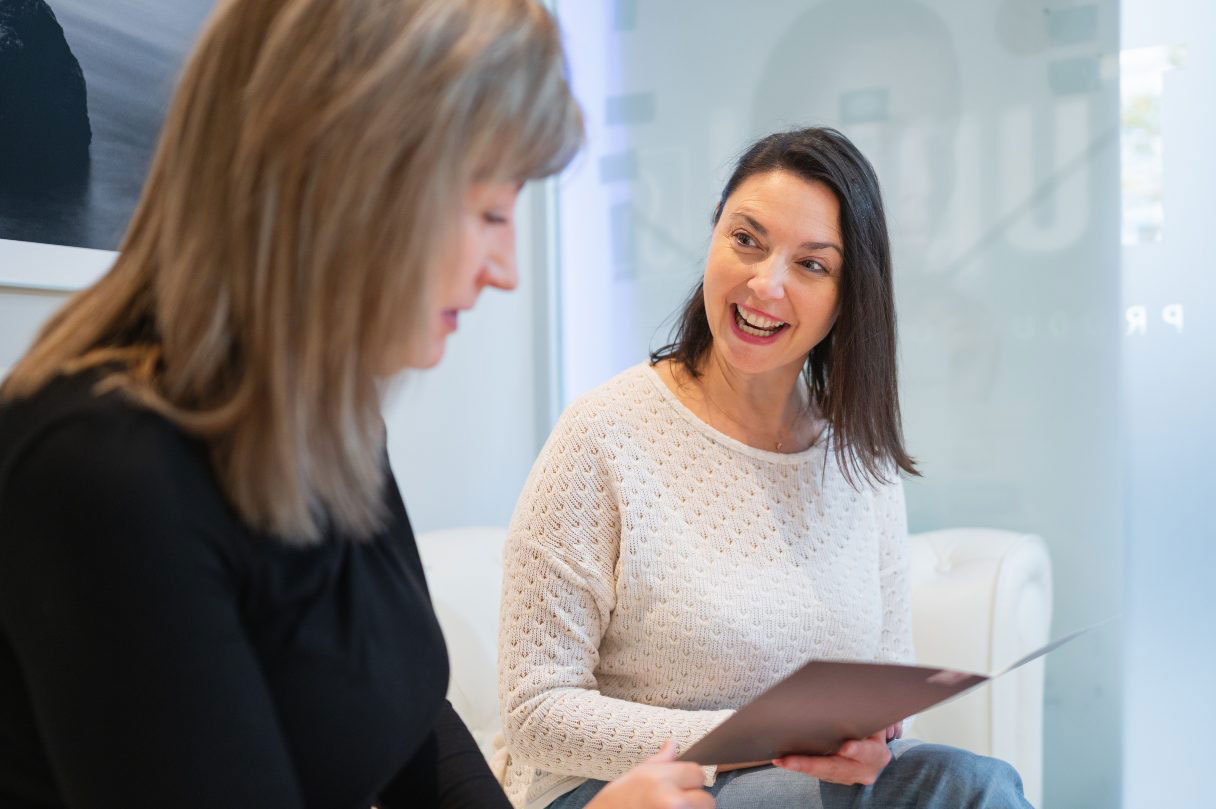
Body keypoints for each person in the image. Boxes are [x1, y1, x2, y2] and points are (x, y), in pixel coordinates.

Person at [0, 1, 712, 807]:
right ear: (345, 179)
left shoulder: (332, 426)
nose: (506, 268)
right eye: (487, 212)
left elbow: (412, 725)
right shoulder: (100, 472)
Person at [495, 127, 1033, 809]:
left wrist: (868, 744)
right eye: (746, 240)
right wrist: (757, 740)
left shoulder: (861, 463)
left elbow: (891, 699)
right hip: (625, 791)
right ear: (714, 239)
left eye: (812, 265)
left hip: (804, 791)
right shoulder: (603, 433)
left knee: (975, 784)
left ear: (847, 297)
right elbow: (536, 713)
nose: (766, 283)